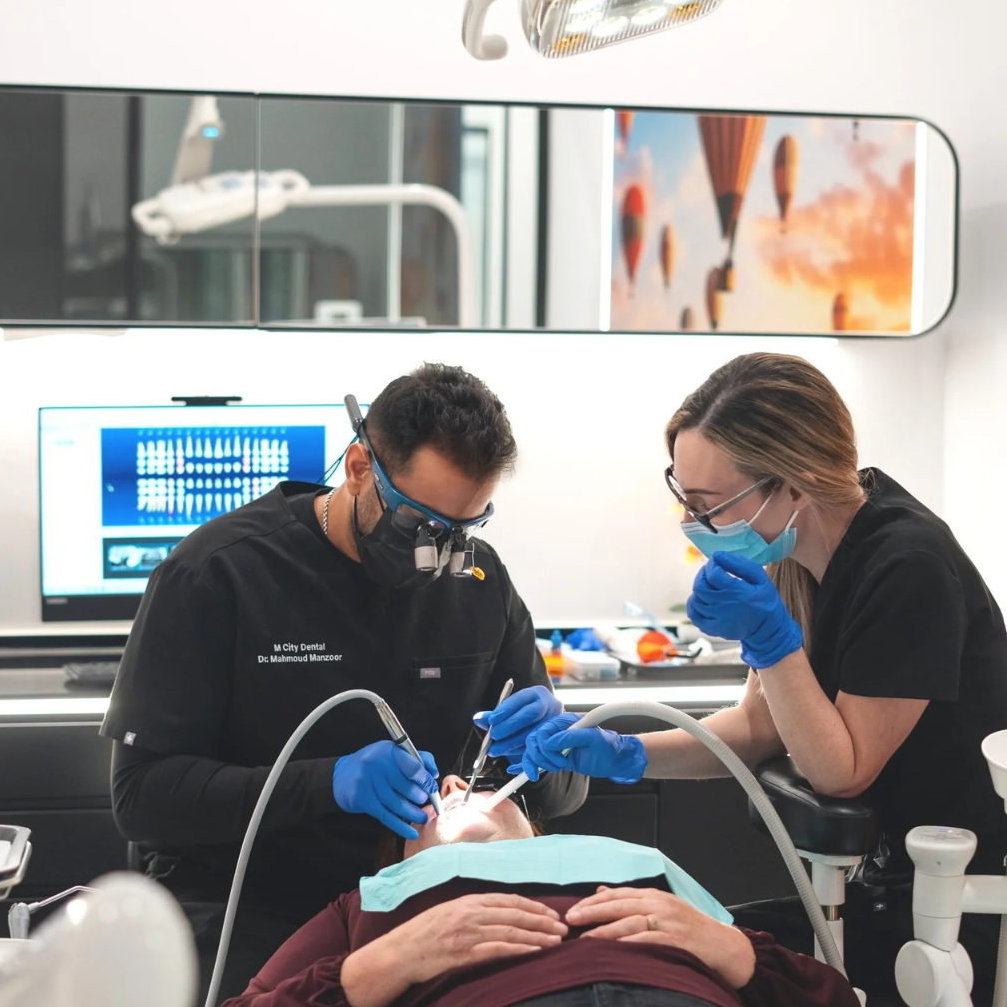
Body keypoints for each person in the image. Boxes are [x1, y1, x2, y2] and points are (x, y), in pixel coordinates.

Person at [512, 353, 1007, 1005]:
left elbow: (840, 771)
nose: (696, 525)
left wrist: (772, 643)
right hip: (878, 887)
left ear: (793, 486)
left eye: (708, 505)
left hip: (950, 912)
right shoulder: (796, 555)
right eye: (684, 498)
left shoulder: (909, 567)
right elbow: (756, 727)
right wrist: (621, 752)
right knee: (656, 955)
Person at [101, 363, 587, 1002]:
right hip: (254, 905)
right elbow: (142, 799)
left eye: (461, 532)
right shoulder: (218, 574)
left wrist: (557, 754)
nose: (438, 558)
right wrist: (325, 784)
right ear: (359, 468)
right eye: (419, 527)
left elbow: (559, 797)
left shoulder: (479, 585)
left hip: (426, 902)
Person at [222, 773, 860, 1007]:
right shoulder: (378, 897)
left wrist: (736, 953)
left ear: (533, 825)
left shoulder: (642, 862)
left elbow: (831, 996)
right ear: (403, 855)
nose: (453, 786)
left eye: (471, 782)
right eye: (431, 799)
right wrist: (389, 961)